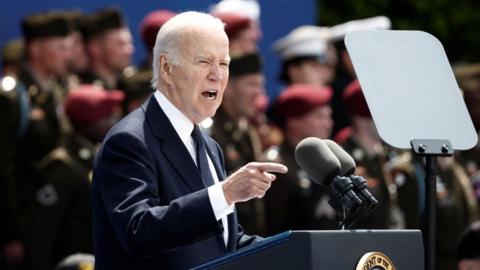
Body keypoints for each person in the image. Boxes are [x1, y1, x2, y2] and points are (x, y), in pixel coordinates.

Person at [91, 11, 287, 269]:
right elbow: (138, 230)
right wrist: (225, 193)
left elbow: (224, 243)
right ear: (167, 68)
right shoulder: (129, 140)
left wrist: (297, 251)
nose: (217, 75)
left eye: (224, 63)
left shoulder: (209, 146)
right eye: (204, 61)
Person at [24, 85, 124, 270]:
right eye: (106, 115)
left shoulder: (93, 159)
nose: (114, 120)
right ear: (88, 122)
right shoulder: (63, 167)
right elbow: (40, 236)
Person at [264, 84, 337, 234]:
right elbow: (273, 223)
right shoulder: (277, 165)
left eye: (329, 116)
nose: (328, 124)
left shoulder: (327, 159)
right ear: (293, 121)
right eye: (319, 117)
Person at [210, 52, 267, 235]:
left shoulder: (248, 131)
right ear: (227, 87)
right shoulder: (210, 132)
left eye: (260, 85)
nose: (259, 92)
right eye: (251, 84)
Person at [80, 7, 134, 90]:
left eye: (129, 42)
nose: (129, 50)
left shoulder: (132, 88)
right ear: (95, 49)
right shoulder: (83, 90)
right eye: (119, 44)